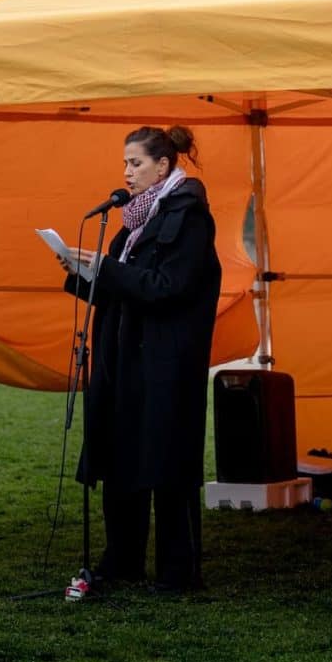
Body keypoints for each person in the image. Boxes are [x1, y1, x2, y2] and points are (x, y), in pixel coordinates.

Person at [59, 125, 222, 593]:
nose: (126, 173)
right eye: (125, 163)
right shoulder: (133, 222)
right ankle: (122, 559)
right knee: (121, 454)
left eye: (136, 163)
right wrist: (83, 273)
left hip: (166, 363)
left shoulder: (189, 216)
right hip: (123, 357)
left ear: (163, 167)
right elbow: (123, 286)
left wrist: (106, 269)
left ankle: (177, 572)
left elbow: (168, 288)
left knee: (168, 463)